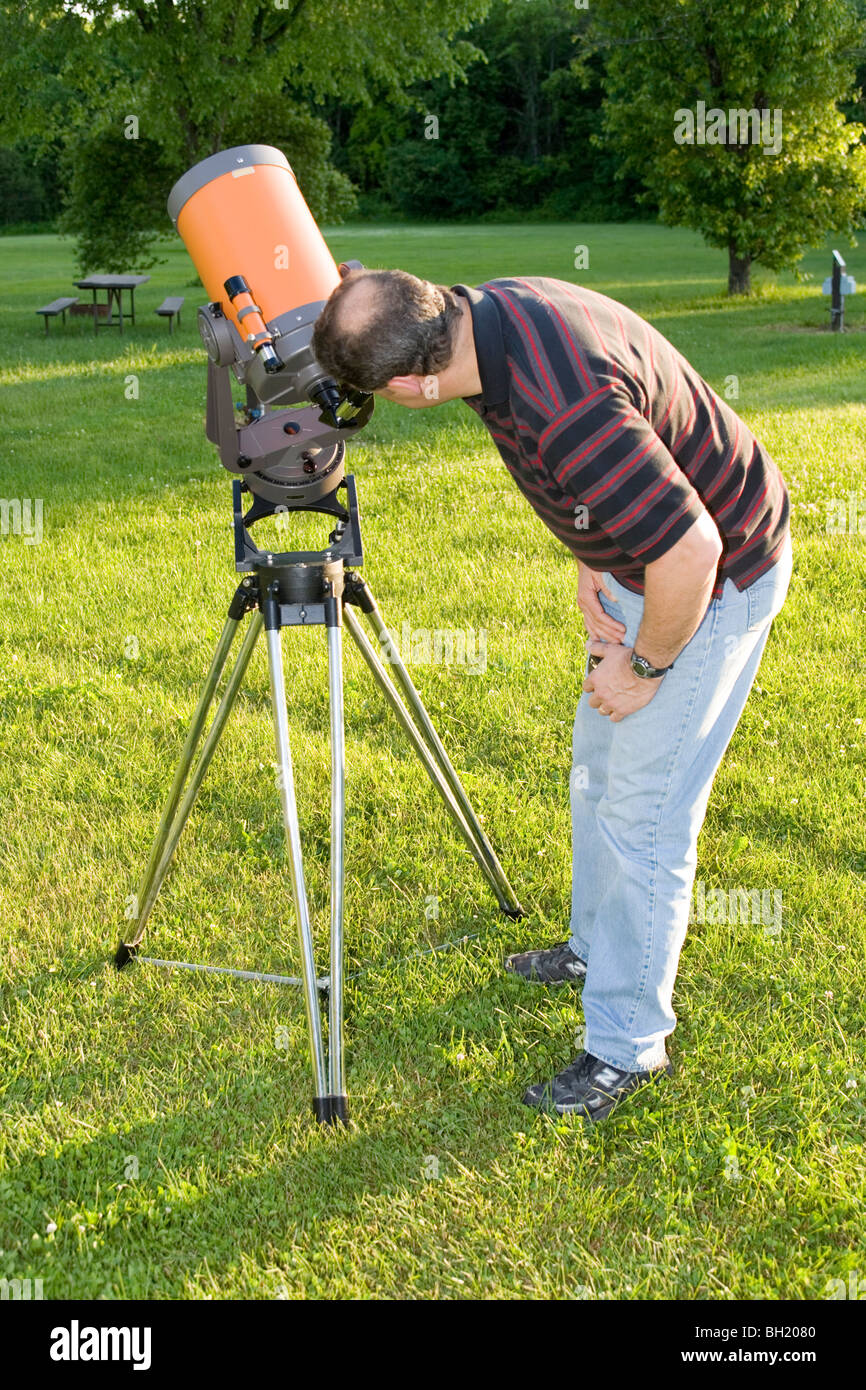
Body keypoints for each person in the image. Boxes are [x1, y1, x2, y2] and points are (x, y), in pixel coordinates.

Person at [312, 267, 791, 1121]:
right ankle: (590, 946)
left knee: (645, 814)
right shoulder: (473, 319)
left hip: (710, 579)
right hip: (641, 562)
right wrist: (595, 559)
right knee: (597, 774)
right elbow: (610, 470)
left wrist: (644, 666)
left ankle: (625, 1048)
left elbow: (690, 551)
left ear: (418, 382)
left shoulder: (566, 408)